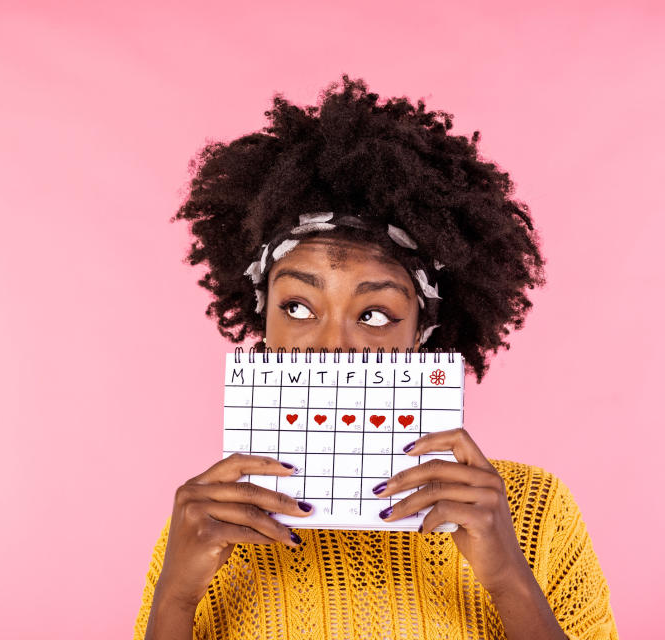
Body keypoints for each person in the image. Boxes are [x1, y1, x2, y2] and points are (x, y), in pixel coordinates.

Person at [133, 75, 618, 640]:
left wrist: (509, 577)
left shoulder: (533, 515)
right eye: (297, 305)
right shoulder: (207, 523)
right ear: (262, 319)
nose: (330, 346)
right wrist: (177, 596)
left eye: (374, 314)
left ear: (422, 334)